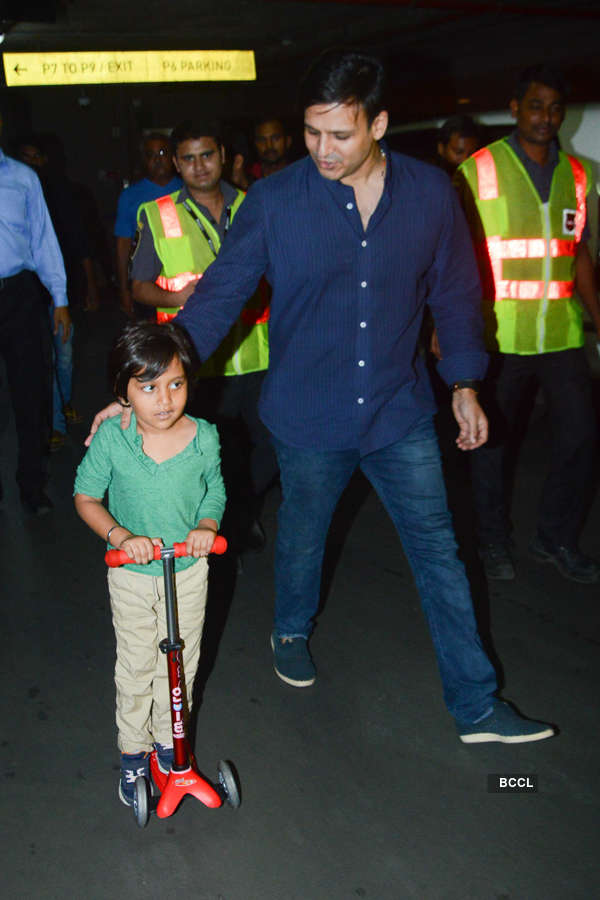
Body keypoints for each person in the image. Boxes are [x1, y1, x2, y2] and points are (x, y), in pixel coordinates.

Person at [89, 51, 554, 744]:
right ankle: (289, 630)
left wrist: (463, 384)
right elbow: (219, 298)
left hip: (400, 411)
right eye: (312, 132)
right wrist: (145, 384)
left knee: (439, 552)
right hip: (307, 414)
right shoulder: (277, 203)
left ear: (380, 123)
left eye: (340, 134)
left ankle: (478, 706)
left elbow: (457, 294)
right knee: (304, 537)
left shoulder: (431, 194)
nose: (322, 150)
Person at [455, 64, 600, 584]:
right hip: (500, 336)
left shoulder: (578, 175)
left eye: (556, 108)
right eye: (536, 106)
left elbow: (578, 251)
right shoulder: (479, 170)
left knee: (581, 436)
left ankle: (555, 536)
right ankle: (492, 540)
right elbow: (454, 257)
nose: (546, 117)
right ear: (515, 109)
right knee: (492, 445)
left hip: (560, 334)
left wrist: (598, 318)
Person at [74, 321, 225, 807]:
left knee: (181, 663)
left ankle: (169, 746)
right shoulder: (113, 440)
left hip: (187, 571)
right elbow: (86, 496)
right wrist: (121, 536)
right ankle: (134, 752)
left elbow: (214, 491)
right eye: (148, 388)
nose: (165, 400)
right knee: (138, 666)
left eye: (175, 384)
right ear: (123, 394)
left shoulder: (203, 436)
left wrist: (206, 525)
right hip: (133, 576)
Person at [129, 119, 275, 554]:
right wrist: (181, 295)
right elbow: (138, 287)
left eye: (207, 155)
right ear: (176, 163)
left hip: (261, 354)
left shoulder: (257, 204)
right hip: (196, 361)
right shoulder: (158, 214)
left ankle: (240, 510)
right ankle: (221, 525)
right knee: (214, 452)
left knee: (272, 446)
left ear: (224, 156)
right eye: (188, 158)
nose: (199, 166)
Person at [0, 115, 71, 513]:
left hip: (20, 296)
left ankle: (32, 485)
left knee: (32, 394)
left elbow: (44, 238)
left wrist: (59, 298)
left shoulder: (23, 177)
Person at [17, 134, 97, 449]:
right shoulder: (15, 195)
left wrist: (91, 285)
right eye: (24, 156)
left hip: (61, 291)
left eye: (35, 157)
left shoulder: (62, 195)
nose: (30, 163)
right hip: (27, 295)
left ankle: (62, 406)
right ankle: (55, 422)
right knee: (46, 359)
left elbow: (80, 243)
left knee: (63, 357)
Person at [114, 133, 182, 316]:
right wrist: (124, 289)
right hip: (145, 287)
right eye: (151, 155)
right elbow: (123, 245)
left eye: (162, 153)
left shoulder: (187, 190)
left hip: (182, 288)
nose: (157, 160)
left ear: (173, 157)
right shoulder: (130, 197)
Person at [232, 117, 292, 189]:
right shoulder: (248, 176)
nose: (269, 146)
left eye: (275, 138)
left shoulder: (301, 174)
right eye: (262, 140)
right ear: (255, 144)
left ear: (288, 141)